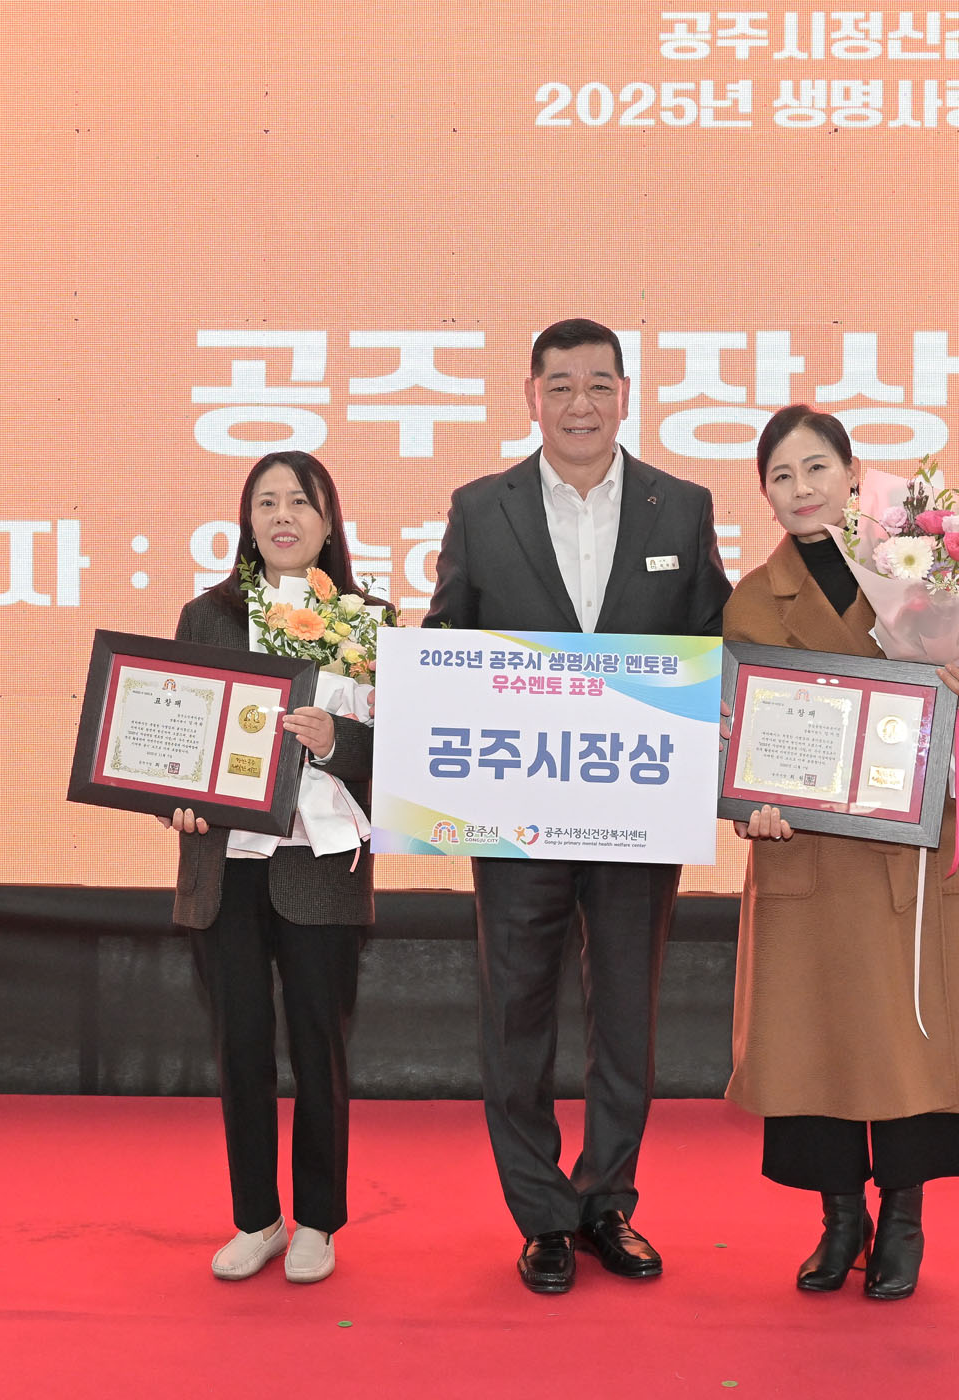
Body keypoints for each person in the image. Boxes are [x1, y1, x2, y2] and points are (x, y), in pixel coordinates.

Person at [425, 317, 732, 1294]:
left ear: (626, 395)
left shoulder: (682, 508)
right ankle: (542, 1216)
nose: (580, 404)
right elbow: (446, 640)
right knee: (515, 1011)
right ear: (531, 396)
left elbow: (717, 641)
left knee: (626, 1013)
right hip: (515, 809)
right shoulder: (482, 508)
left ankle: (606, 1202)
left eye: (599, 384)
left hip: (639, 803)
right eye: (560, 385)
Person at [723, 404, 959, 1301]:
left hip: (913, 854)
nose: (802, 488)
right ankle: (838, 1218)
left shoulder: (925, 573)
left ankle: (903, 1218)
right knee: (815, 1040)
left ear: (854, 475)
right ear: (765, 495)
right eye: (781, 476)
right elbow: (739, 735)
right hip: (808, 856)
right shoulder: (751, 599)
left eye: (817, 468)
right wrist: (749, 807)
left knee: (913, 1039)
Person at [164, 450, 379, 1286]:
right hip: (228, 867)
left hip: (319, 866)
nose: (283, 516)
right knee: (240, 1048)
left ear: (328, 522)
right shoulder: (207, 616)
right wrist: (175, 802)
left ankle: (318, 1221)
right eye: (266, 503)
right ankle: (257, 1218)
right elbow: (174, 735)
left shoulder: (368, 622)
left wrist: (336, 741)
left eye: (300, 502)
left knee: (321, 1050)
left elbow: (403, 756)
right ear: (247, 523)